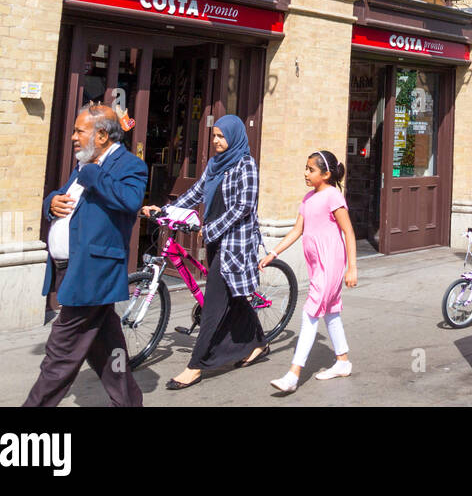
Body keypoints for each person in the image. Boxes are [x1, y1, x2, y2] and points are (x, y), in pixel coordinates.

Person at [24, 104, 147, 407]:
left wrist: (92, 171)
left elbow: (130, 201)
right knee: (107, 348)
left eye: (79, 131)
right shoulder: (84, 163)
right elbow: (66, 196)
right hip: (73, 268)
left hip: (94, 272)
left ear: (102, 135)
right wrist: (51, 202)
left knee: (60, 353)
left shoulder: (128, 165)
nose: (72, 138)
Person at [142, 114, 266, 389]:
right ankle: (257, 343)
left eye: (222, 136)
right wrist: (166, 210)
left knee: (213, 302)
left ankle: (196, 365)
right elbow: (196, 193)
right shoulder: (215, 164)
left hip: (234, 241)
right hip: (215, 239)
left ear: (234, 136)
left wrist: (211, 229)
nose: (216, 141)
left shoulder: (246, 165)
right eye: (215, 135)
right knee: (233, 295)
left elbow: (243, 207)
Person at [262, 150, 358, 393]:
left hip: (332, 263)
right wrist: (273, 254)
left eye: (310, 170)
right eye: (305, 168)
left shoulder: (333, 196)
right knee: (330, 313)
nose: (305, 173)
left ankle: (293, 375)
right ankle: (343, 362)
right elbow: (297, 231)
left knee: (310, 313)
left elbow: (348, 232)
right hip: (316, 265)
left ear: (325, 174)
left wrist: (352, 268)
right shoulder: (307, 198)